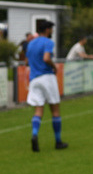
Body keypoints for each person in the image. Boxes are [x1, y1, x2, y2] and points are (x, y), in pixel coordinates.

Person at [26, 20, 67, 152]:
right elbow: (46, 58)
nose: (52, 32)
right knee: (55, 110)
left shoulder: (30, 43)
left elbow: (27, 61)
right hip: (47, 77)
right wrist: (54, 67)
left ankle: (34, 133)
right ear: (47, 30)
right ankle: (58, 141)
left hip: (34, 79)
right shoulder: (48, 42)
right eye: (51, 29)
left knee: (38, 109)